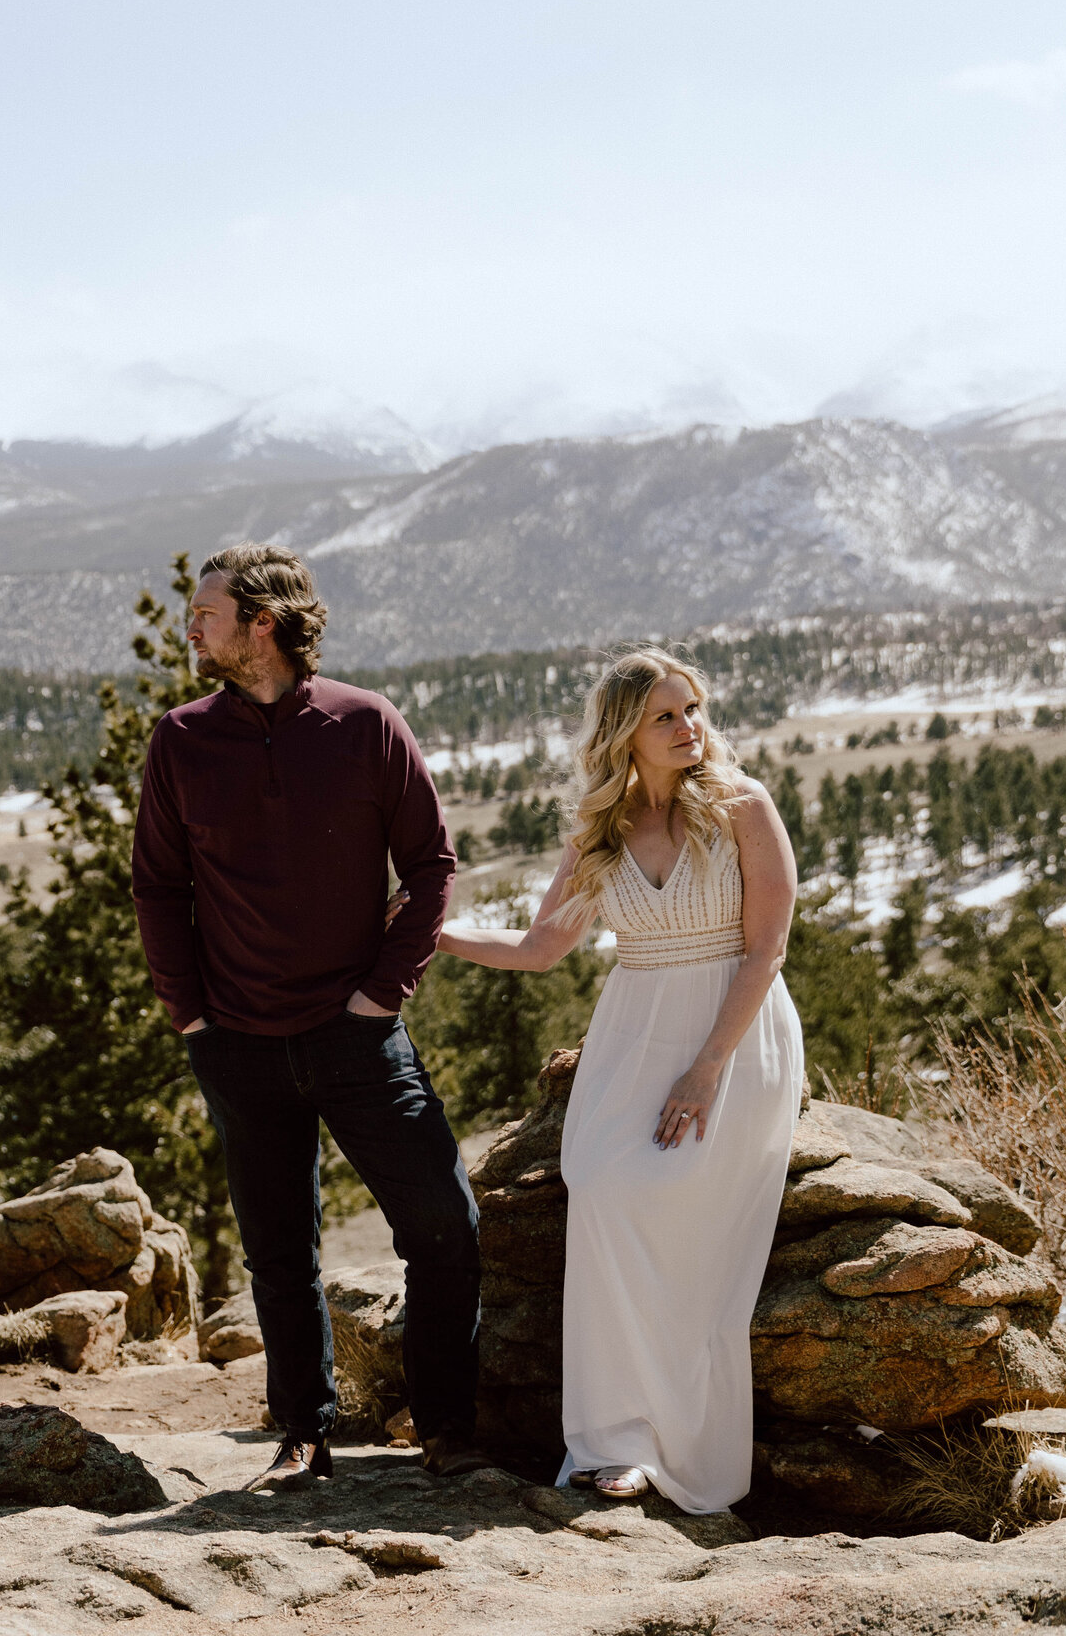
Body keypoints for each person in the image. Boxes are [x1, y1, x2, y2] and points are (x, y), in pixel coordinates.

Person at [131, 542, 486, 1488]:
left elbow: (431, 869)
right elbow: (157, 889)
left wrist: (381, 996)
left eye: (206, 611)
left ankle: (450, 1428)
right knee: (278, 1253)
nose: (190, 625)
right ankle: (302, 1433)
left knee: (445, 1224)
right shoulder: (181, 738)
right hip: (237, 1043)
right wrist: (190, 1019)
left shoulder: (366, 725)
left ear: (262, 624)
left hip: (358, 1036)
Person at [436, 646, 802, 1511]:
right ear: (624, 735)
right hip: (630, 1040)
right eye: (665, 717)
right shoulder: (599, 835)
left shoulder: (744, 807)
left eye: (695, 710)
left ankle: (682, 1445)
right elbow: (540, 948)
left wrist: (707, 1069)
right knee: (600, 1187)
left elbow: (768, 947)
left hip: (734, 1037)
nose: (689, 729)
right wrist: (438, 937)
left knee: (678, 1211)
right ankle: (616, 1441)